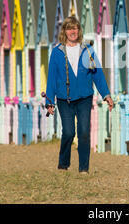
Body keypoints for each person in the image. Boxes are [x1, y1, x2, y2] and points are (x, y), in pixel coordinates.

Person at [45, 16, 114, 174]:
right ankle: (63, 163)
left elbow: (97, 74)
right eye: (69, 28)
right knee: (68, 132)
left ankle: (84, 168)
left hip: (84, 98)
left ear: (79, 30)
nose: (72, 31)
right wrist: (49, 101)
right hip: (64, 99)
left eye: (75, 28)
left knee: (84, 132)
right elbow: (52, 78)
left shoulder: (88, 50)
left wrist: (106, 95)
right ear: (65, 31)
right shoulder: (57, 53)